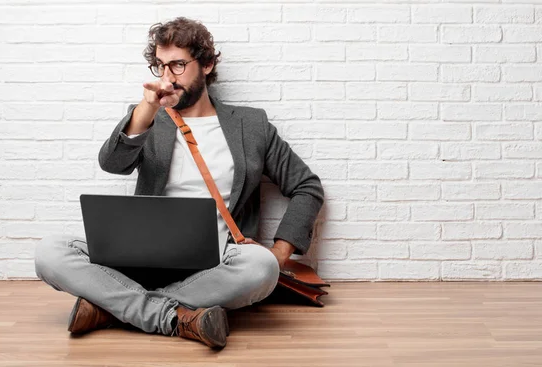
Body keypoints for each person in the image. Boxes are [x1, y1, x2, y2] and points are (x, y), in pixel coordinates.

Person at [34, 17, 324, 349]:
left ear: (207, 64)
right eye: (161, 66)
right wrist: (147, 108)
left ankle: (114, 309)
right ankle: (176, 318)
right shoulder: (146, 115)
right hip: (137, 257)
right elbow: (113, 164)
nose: (169, 77)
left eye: (178, 65)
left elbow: (307, 186)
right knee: (50, 251)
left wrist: (279, 253)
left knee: (262, 268)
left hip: (214, 265)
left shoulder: (251, 124)